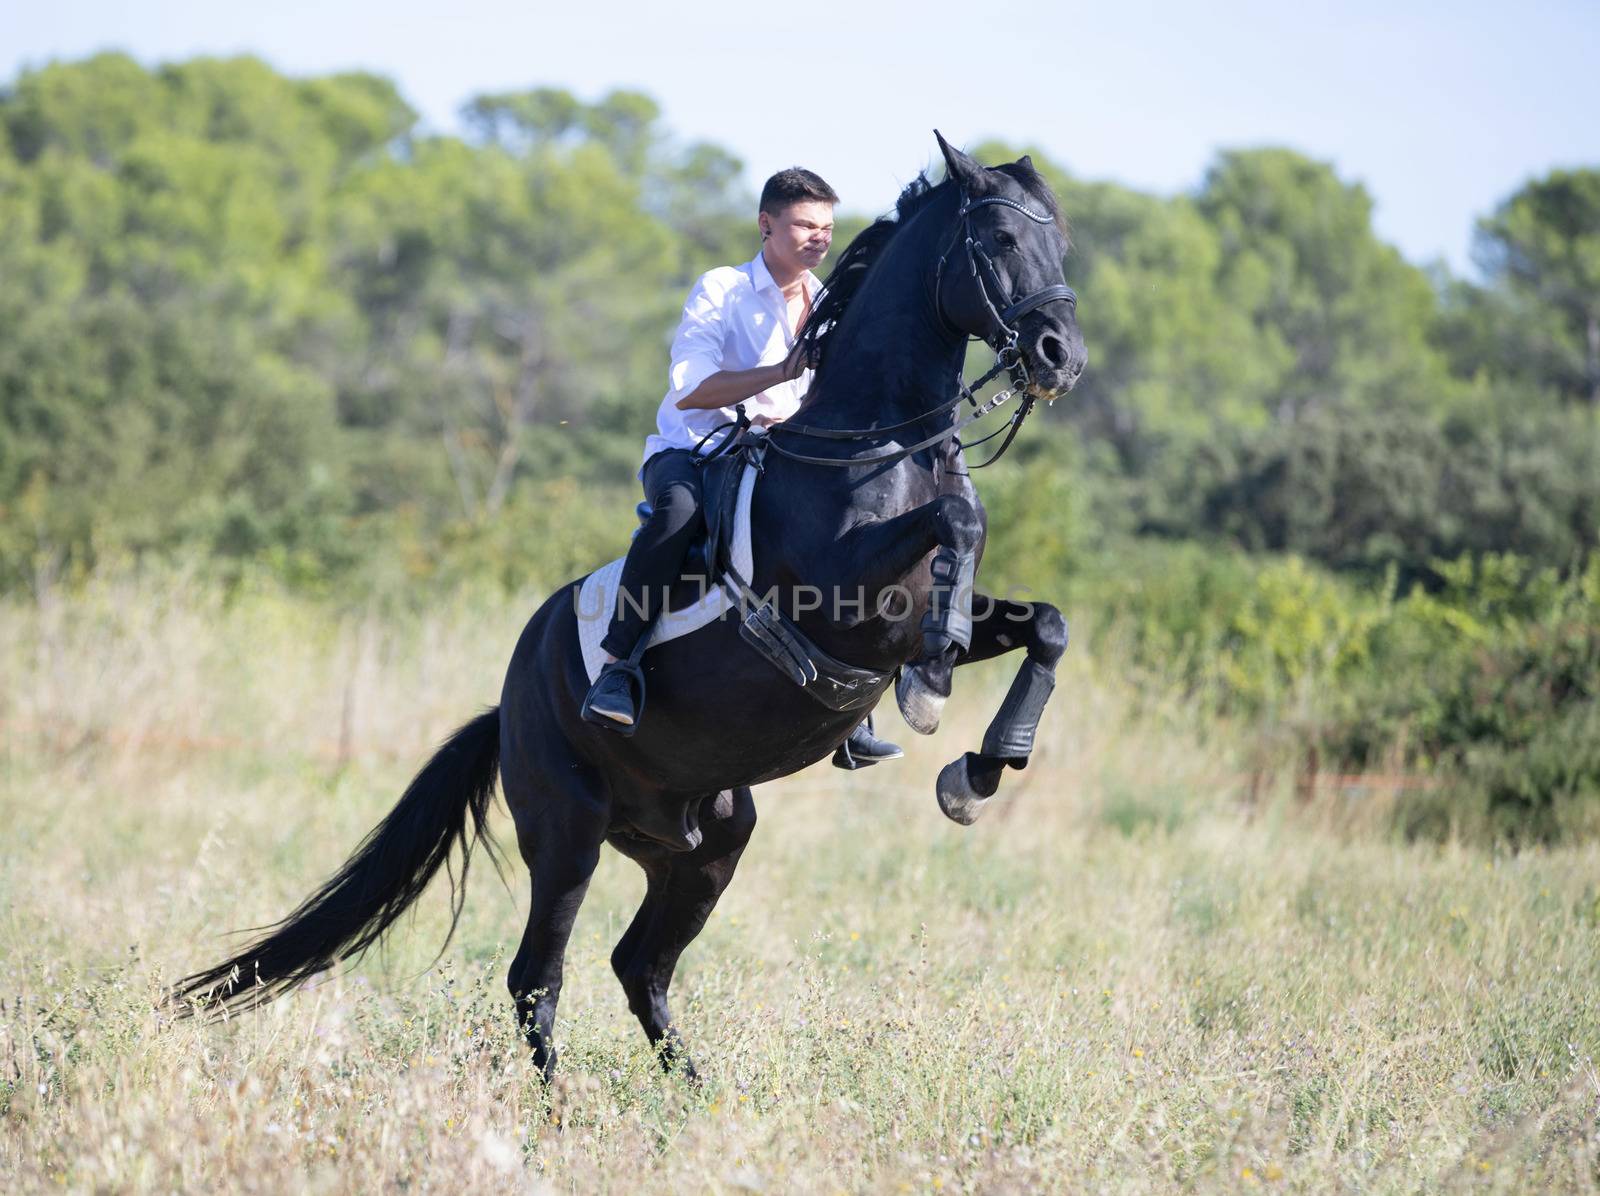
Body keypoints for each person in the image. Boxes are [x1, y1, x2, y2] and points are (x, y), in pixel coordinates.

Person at [581, 167, 903, 769]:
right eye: (805, 224)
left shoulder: (830, 301)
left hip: (781, 456)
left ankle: (854, 712)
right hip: (696, 451)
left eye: (828, 228)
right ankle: (617, 667)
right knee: (677, 513)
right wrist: (782, 372)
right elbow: (691, 392)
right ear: (766, 225)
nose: (819, 239)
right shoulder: (720, 289)